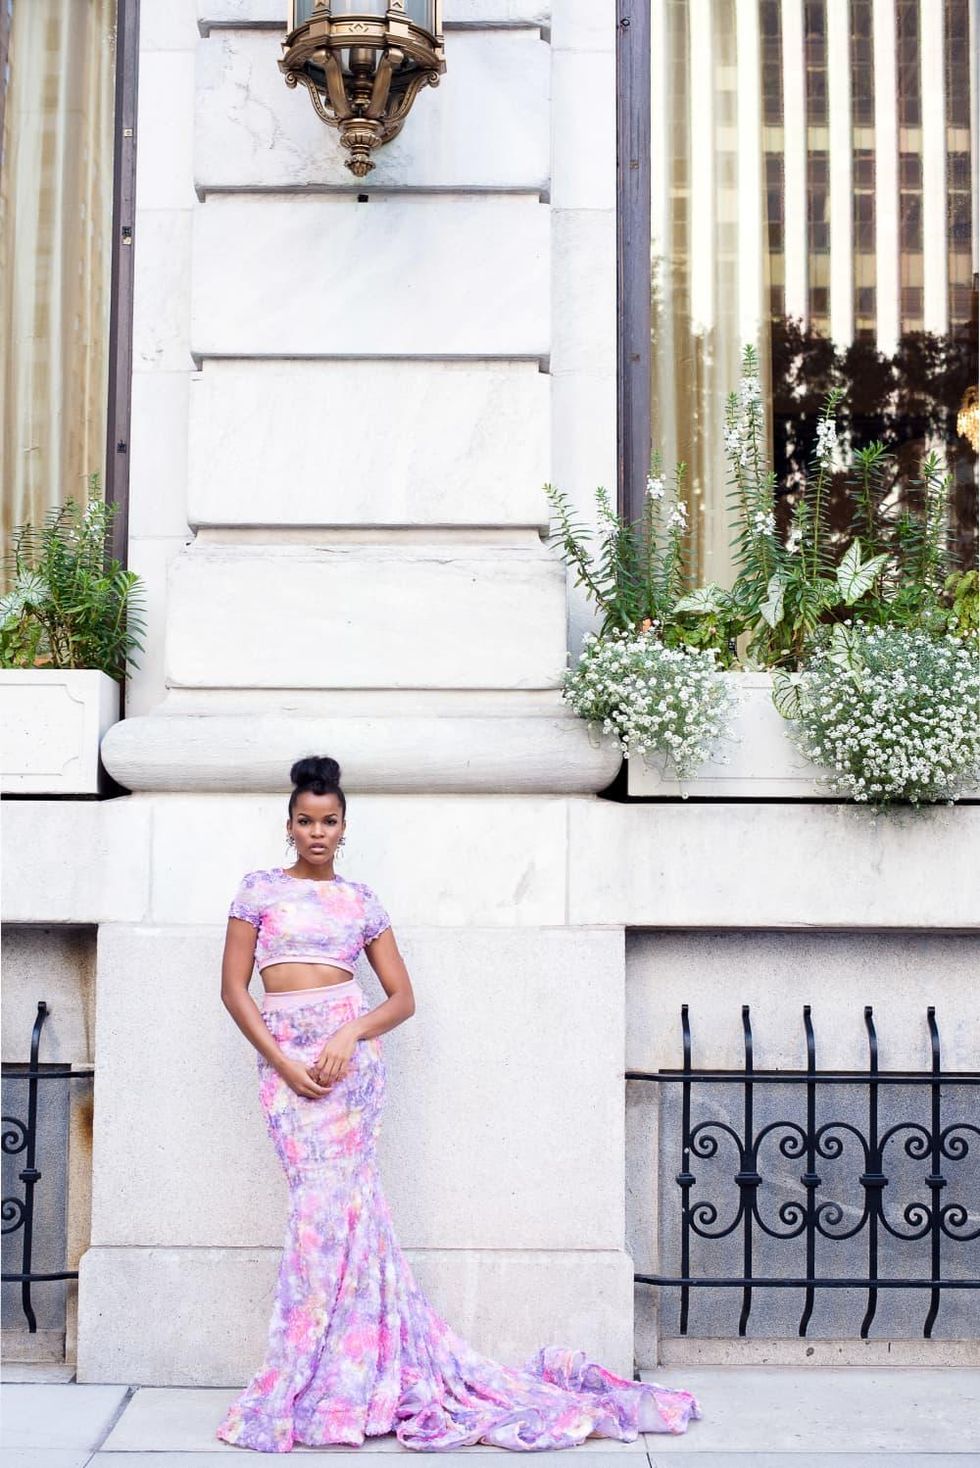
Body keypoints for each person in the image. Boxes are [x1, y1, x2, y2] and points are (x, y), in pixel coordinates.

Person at [215, 755, 701, 1453]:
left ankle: (346, 1374)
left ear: (345, 827)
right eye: (306, 821)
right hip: (286, 1066)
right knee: (320, 1217)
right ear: (288, 825)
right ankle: (318, 1371)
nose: (317, 832)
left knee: (347, 1212)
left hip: (349, 1073)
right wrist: (282, 1061)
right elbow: (235, 990)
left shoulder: (362, 902)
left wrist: (351, 1032)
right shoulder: (259, 890)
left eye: (329, 821)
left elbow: (402, 999)